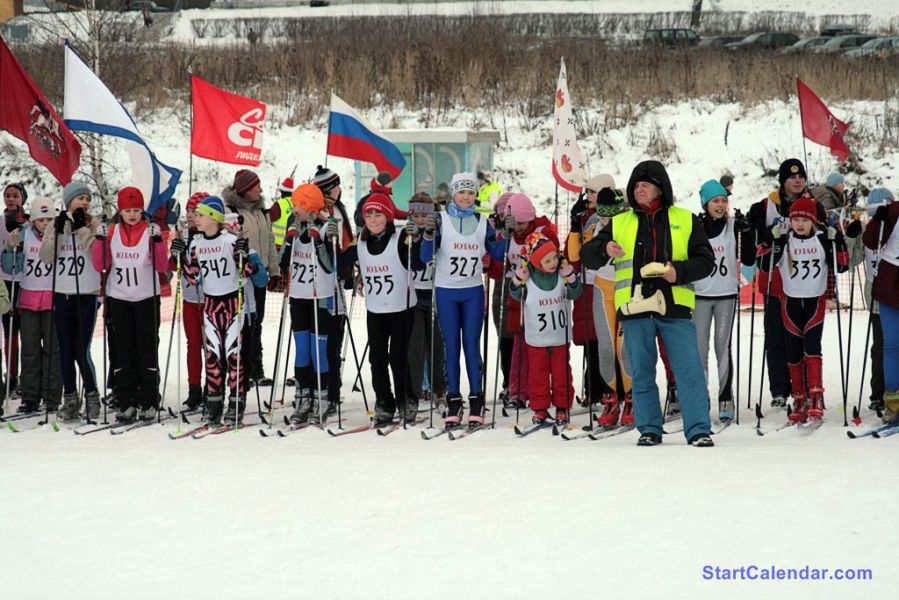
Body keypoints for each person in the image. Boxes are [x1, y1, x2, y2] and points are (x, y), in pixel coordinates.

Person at [581, 160, 716, 447]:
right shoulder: (619, 222)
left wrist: (677, 271)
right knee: (641, 372)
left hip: (675, 308)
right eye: (635, 185)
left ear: (660, 188)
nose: (638, 189)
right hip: (634, 309)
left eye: (645, 184)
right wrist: (604, 247)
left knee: (689, 370)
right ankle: (649, 428)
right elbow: (587, 255)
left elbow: (706, 262)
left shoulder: (687, 219)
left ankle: (698, 429)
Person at [420, 172, 505, 429]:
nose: (467, 197)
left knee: (471, 345)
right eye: (462, 192)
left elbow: (498, 254)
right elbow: (425, 257)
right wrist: (426, 234)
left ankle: (476, 399)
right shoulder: (440, 219)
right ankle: (454, 400)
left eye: (471, 192)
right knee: (452, 347)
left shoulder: (482, 222)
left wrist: (505, 232)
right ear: (454, 194)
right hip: (446, 292)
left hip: (472, 292)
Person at [746, 158, 826, 409]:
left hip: (805, 286)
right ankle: (780, 389)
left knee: (806, 339)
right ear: (782, 181)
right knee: (776, 338)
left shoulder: (815, 205)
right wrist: (765, 234)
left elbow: (825, 236)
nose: (797, 180)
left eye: (801, 176)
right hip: (774, 282)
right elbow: (755, 242)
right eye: (792, 177)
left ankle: (806, 387)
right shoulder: (765, 205)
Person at [761, 198, 847, 422]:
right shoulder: (786, 239)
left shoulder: (821, 239)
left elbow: (843, 265)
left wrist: (838, 240)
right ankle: (799, 399)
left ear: (812, 221)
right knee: (793, 353)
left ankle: (816, 395)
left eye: (804, 220)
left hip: (814, 302)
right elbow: (763, 265)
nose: (800, 224)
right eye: (796, 219)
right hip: (790, 303)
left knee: (812, 348)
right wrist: (772, 239)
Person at [92, 187, 169, 422]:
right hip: (119, 299)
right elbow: (100, 264)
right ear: (120, 210)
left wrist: (157, 241)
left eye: (136, 210)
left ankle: (149, 401)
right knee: (123, 352)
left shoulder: (149, 231)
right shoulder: (112, 231)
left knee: (146, 350)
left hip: (146, 299)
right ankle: (126, 401)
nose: (133, 214)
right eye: (128, 210)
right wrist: (99, 240)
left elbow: (161, 265)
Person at [340, 192, 416, 425]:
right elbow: (339, 264)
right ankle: (384, 401)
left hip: (401, 307)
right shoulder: (360, 241)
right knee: (377, 357)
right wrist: (330, 240)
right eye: (368, 215)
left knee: (398, 356)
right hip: (375, 309)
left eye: (378, 215)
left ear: (388, 217)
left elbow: (420, 262)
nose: (373, 220)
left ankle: (407, 400)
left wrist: (420, 238)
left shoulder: (401, 237)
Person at [174, 196, 251, 426]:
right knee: (213, 356)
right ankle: (214, 402)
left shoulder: (229, 240)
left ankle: (237, 402)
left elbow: (245, 273)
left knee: (233, 355)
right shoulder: (196, 244)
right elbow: (193, 277)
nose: (195, 219)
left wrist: (243, 255)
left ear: (214, 218)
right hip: (210, 305)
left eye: (200, 214)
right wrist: (177, 256)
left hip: (232, 305)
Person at [565, 175, 631, 425]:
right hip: (602, 290)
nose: (606, 219)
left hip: (626, 290)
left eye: (610, 214)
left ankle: (632, 399)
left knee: (624, 348)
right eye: (602, 214)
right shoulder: (592, 223)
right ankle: (610, 400)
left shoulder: (629, 222)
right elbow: (573, 255)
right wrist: (574, 225)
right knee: (605, 347)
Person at [693, 180, 756, 422]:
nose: (720, 205)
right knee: (699, 350)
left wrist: (748, 233)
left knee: (723, 348)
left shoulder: (733, 226)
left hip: (726, 296)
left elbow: (749, 258)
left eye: (723, 201)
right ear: (705, 204)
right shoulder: (695, 226)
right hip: (700, 295)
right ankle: (701, 398)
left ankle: (725, 397)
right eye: (715, 201)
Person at [39, 181, 102, 422]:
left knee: (80, 350)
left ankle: (92, 395)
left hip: (86, 295)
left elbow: (97, 256)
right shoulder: (56, 224)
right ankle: (71, 398)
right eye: (80, 198)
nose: (85, 203)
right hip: (62, 294)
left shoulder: (93, 222)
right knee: (64, 350)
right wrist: (57, 231)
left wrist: (81, 229)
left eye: (87, 198)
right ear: (68, 202)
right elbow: (46, 257)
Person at [279, 184, 339, 425]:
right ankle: (302, 398)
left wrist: (319, 242)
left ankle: (321, 399)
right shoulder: (292, 228)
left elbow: (329, 267)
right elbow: (284, 263)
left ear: (309, 207)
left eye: (298, 205)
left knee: (318, 351)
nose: (294, 209)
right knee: (302, 351)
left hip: (321, 298)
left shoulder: (325, 228)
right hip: (299, 298)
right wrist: (288, 239)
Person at [509, 232, 582, 425]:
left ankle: (562, 405)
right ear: (535, 262)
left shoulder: (561, 274)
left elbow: (575, 293)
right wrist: (517, 279)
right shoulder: (529, 278)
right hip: (537, 337)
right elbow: (516, 294)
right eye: (547, 260)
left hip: (559, 335)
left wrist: (572, 278)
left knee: (561, 372)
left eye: (554, 258)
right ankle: (540, 407)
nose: (552, 263)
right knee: (537, 372)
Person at [496, 192, 559, 411]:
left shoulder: (544, 231)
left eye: (523, 223)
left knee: (548, 349)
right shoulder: (507, 235)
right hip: (518, 298)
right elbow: (496, 268)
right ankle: (518, 392)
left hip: (545, 297)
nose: (519, 227)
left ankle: (547, 392)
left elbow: (555, 261)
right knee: (519, 347)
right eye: (516, 223)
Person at [222, 169, 278, 387]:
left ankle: (256, 368)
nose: (260, 190)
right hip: (241, 277)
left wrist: (273, 270)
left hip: (259, 274)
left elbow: (270, 241)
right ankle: (239, 368)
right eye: (256, 187)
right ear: (245, 190)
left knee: (257, 322)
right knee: (242, 323)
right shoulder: (231, 212)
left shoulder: (261, 212)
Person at [1, 197, 56, 415]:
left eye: (48, 219)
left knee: (52, 351)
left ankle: (51, 396)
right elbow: (11, 268)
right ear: (33, 220)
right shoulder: (24, 235)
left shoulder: (58, 235)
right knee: (30, 351)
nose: (45, 223)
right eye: (41, 219)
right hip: (28, 300)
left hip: (52, 300)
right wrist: (9, 249)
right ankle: (30, 396)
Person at [846, 188, 892, 412]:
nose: (877, 219)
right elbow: (851, 261)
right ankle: (879, 394)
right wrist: (852, 236)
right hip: (877, 299)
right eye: (872, 214)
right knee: (881, 348)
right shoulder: (868, 233)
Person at [313, 166, 354, 410]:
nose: (340, 189)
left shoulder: (339, 208)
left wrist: (349, 270)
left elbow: (347, 239)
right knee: (324, 336)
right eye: (336, 185)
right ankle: (324, 384)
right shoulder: (319, 210)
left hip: (339, 279)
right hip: (321, 283)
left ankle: (333, 384)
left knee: (337, 333)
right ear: (329, 188)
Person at [405, 193, 447, 414]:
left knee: (437, 347)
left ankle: (439, 391)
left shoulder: (438, 232)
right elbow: (411, 263)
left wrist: (427, 236)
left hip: (434, 294)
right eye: (416, 215)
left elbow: (427, 260)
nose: (420, 219)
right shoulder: (408, 234)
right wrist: (411, 241)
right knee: (416, 346)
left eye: (424, 214)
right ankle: (415, 392)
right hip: (413, 296)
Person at [862, 191, 899, 423]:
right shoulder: (895, 210)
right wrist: (879, 219)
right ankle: (892, 402)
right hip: (890, 282)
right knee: (892, 344)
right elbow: (869, 240)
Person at [173, 192, 208, 411]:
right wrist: (175, 252)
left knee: (211, 346)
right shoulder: (183, 234)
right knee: (193, 345)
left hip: (212, 299)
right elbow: (172, 266)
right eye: (189, 212)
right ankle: (194, 389)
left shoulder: (212, 234)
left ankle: (213, 389)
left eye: (197, 213)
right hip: (189, 299)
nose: (192, 217)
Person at [1, 183, 27, 400]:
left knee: (26, 330)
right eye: (7, 195)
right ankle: (11, 375)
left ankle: (28, 377)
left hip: (25, 281)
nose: (10, 199)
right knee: (9, 332)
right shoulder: (0, 222)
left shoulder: (29, 222)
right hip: (5, 281)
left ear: (22, 199)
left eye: (15, 196)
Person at [270, 177, 295, 251]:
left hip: (276, 242)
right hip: (289, 241)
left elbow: (268, 218)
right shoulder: (294, 203)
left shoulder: (280, 203)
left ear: (283, 191)